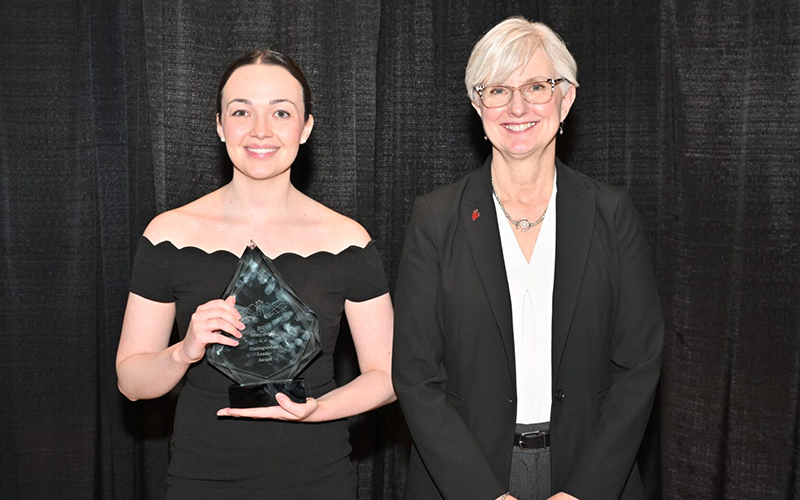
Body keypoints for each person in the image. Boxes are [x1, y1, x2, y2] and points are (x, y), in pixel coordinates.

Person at [392, 17, 663, 500]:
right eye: (498, 90)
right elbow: (415, 375)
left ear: (566, 98)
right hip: (465, 480)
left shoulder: (612, 213)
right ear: (478, 105)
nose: (517, 107)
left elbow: (639, 364)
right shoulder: (434, 218)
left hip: (591, 474)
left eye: (537, 86)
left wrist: (584, 491)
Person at [116, 49, 395, 500]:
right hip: (201, 481)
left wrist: (318, 408)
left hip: (319, 479)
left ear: (306, 127)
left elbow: (387, 376)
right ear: (220, 125)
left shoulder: (348, 241)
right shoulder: (167, 235)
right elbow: (131, 383)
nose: (260, 130)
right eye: (241, 111)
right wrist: (184, 351)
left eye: (280, 112)